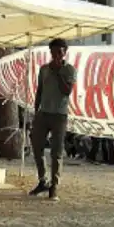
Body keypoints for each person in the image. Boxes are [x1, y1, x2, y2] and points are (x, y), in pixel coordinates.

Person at [29, 39, 77, 202]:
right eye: (54, 52)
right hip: (43, 113)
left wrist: (58, 72)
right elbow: (39, 91)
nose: (56, 55)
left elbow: (67, 91)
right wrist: (36, 112)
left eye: (60, 52)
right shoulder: (43, 69)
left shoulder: (69, 70)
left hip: (59, 115)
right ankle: (43, 180)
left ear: (64, 53)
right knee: (37, 146)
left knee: (56, 152)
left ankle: (54, 186)